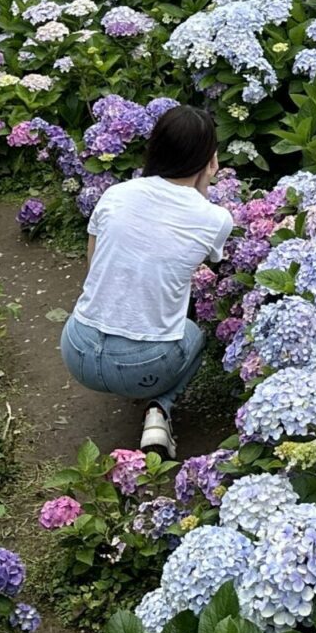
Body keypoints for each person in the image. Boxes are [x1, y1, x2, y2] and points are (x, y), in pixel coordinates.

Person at [60, 105, 234, 455]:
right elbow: (199, 262)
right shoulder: (215, 219)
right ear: (210, 160)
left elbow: (94, 266)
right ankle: (160, 409)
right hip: (142, 367)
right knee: (194, 334)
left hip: (76, 348)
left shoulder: (115, 194)